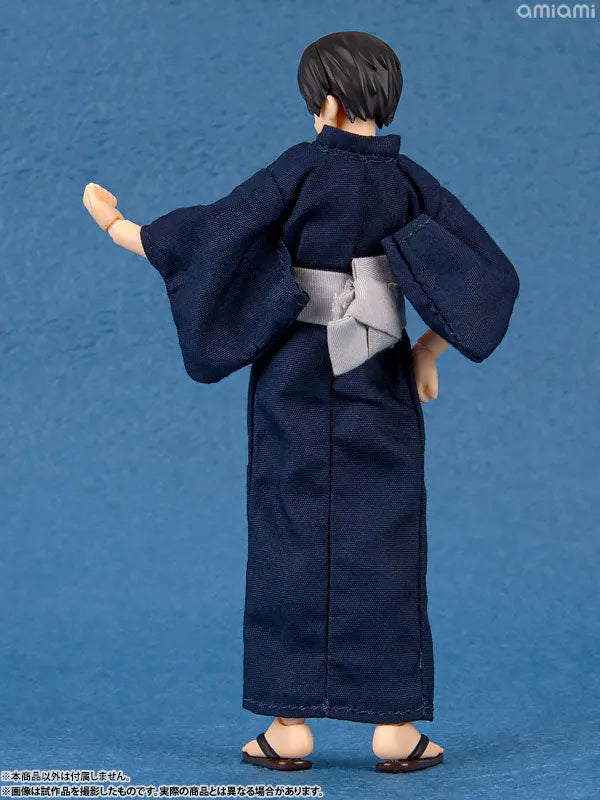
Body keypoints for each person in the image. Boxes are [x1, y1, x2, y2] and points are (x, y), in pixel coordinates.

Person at [83, 31, 518, 773]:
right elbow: (485, 272)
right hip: (380, 370)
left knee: (288, 534)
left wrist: (130, 231)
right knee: (387, 539)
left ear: (329, 102)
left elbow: (222, 228)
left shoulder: (302, 166)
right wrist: (427, 349)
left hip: (296, 376)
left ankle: (288, 726)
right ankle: (395, 727)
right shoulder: (411, 183)